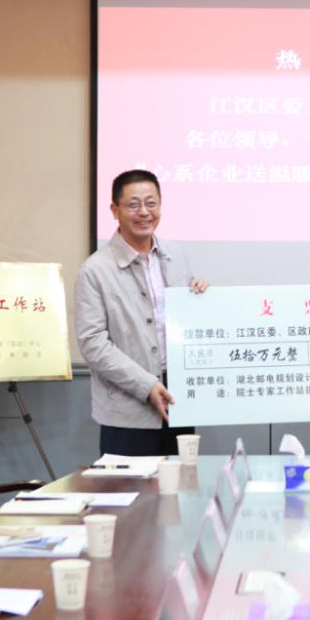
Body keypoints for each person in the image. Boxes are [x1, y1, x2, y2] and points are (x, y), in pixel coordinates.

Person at [75, 169, 208, 456]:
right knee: (129, 485)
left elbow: (186, 321)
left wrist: (199, 296)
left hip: (179, 399)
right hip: (127, 410)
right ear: (115, 210)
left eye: (151, 203)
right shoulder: (95, 270)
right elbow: (92, 343)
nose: (144, 212)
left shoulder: (176, 256)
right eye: (133, 205)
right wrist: (146, 385)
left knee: (180, 480)